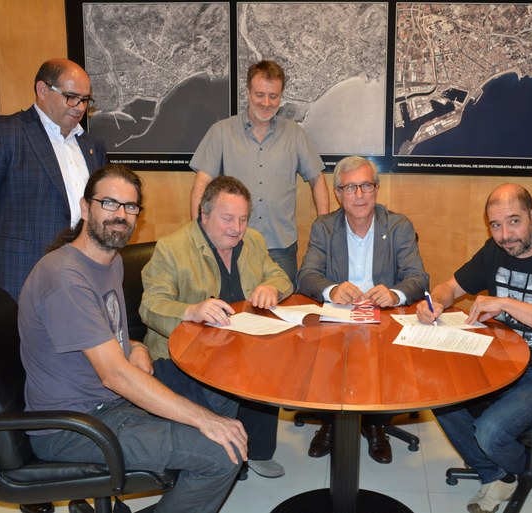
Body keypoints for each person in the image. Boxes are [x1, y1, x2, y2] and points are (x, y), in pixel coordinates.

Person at [18, 164, 246, 513]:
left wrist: (136, 346)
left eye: (130, 206)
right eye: (109, 203)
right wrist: (203, 419)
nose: (121, 215)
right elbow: (115, 375)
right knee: (222, 453)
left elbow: (106, 338)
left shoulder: (110, 262)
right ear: (85, 208)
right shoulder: (65, 277)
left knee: (223, 396)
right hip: (74, 426)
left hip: (108, 403)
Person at [416, 183, 532, 513]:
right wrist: (434, 304)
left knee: (490, 432)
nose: (505, 235)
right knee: (438, 393)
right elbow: (449, 288)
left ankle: (508, 464)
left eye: (514, 221)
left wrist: (507, 303)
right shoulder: (494, 251)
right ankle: (497, 474)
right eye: (495, 225)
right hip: (504, 360)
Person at [140, 175, 293, 478]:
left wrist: (272, 287)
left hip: (240, 345)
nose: (236, 228)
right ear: (204, 214)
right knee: (217, 419)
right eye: (227, 218)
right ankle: (220, 456)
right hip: (183, 356)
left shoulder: (253, 240)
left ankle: (257, 450)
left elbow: (279, 276)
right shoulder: (172, 248)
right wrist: (191, 311)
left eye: (243, 219)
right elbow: (150, 305)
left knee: (270, 362)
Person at [297, 156, 429, 464]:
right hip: (337, 319)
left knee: (387, 362)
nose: (359, 195)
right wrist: (331, 289)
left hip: (383, 320)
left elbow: (418, 277)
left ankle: (375, 424)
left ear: (376, 189)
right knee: (322, 358)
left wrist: (394, 294)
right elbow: (306, 275)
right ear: (338, 194)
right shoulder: (324, 227)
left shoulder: (397, 225)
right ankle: (331, 421)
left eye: (366, 186)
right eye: (350, 188)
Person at [0, 58, 107, 301]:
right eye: (71, 97)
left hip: (82, 274)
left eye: (85, 100)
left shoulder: (93, 146)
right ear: (42, 90)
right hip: (19, 273)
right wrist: (8, 243)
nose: (80, 107)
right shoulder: (5, 132)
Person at [188, 60, 329, 288]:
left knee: (282, 306)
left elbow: (317, 180)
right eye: (259, 95)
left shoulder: (295, 134)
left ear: (281, 96)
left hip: (281, 249)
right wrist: (199, 231)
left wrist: (325, 230)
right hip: (232, 244)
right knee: (233, 306)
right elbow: (201, 184)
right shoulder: (221, 132)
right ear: (248, 92)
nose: (266, 103)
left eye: (273, 96)